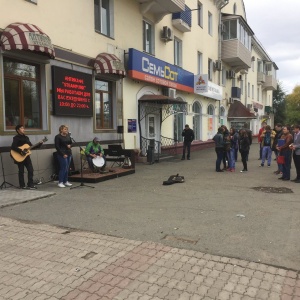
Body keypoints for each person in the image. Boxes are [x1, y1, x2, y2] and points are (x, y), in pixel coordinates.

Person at [11, 125, 43, 189]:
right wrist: (21, 150)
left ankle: (30, 184)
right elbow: (13, 147)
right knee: (21, 171)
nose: (23, 129)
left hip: (27, 157)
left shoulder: (26, 138)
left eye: (23, 128)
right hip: (19, 156)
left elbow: (31, 147)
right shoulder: (16, 138)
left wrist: (39, 144)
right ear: (18, 130)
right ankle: (22, 185)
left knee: (31, 170)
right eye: (21, 128)